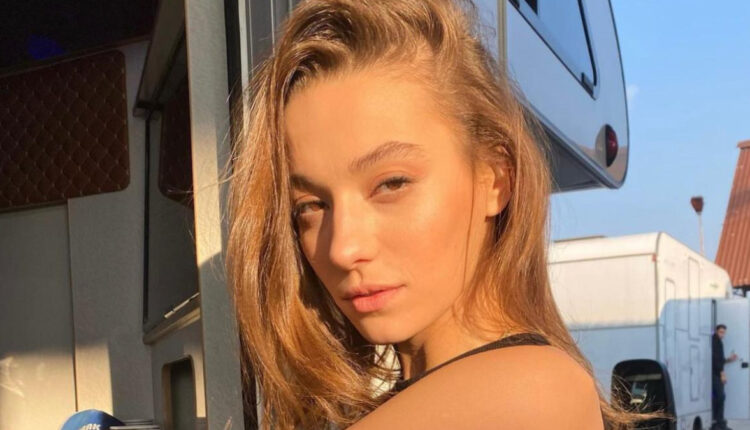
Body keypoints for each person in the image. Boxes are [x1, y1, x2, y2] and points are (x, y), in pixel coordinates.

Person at [225, 0, 642, 428]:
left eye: (392, 184)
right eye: (310, 206)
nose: (342, 249)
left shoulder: (532, 390)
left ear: (495, 179)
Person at [712, 324, 739, 430]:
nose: (722, 334)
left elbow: (720, 360)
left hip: (716, 373)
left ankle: (717, 422)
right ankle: (719, 423)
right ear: (716, 331)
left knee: (719, 397)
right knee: (720, 397)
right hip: (715, 374)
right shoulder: (715, 342)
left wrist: (729, 359)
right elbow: (715, 361)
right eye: (721, 332)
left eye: (724, 333)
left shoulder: (718, 342)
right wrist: (722, 373)